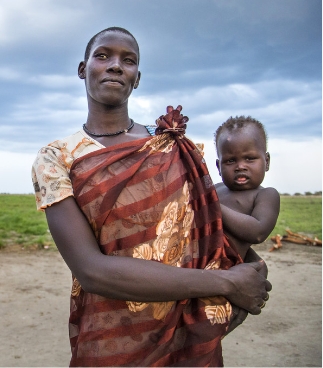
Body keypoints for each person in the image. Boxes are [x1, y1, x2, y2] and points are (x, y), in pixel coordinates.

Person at [31, 27, 271, 367]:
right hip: (112, 336)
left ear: (137, 77)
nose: (115, 65)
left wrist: (249, 272)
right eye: (103, 55)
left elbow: (205, 225)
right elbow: (91, 270)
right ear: (83, 69)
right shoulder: (57, 158)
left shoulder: (169, 145)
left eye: (128, 61)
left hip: (186, 332)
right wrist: (227, 282)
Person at [214, 116, 280, 261]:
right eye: (230, 161)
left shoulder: (266, 195)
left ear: (266, 161)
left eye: (249, 158)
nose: (240, 166)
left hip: (225, 270)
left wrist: (213, 206)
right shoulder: (215, 189)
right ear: (219, 167)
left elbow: (258, 232)